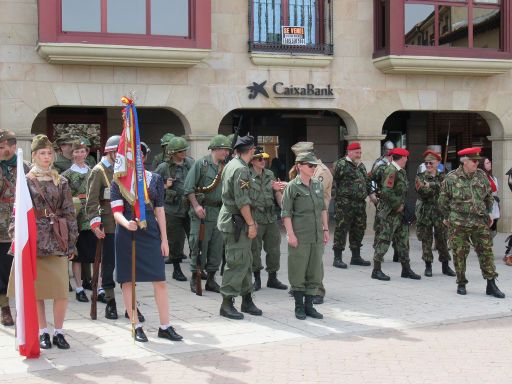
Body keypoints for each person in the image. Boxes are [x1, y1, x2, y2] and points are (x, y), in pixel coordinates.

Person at [9, 134, 78, 349]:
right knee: (37, 291)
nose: (46, 157)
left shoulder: (62, 180)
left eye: (49, 153)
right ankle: (42, 331)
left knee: (60, 290)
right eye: (42, 153)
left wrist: (72, 242)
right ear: (35, 155)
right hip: (35, 241)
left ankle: (59, 331)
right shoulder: (26, 181)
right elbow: (17, 212)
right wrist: (16, 237)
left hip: (57, 239)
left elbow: (69, 212)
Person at [111, 144, 183, 343]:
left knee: (159, 280)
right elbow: (116, 210)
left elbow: (160, 210)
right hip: (127, 231)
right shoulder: (119, 180)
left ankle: (165, 326)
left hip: (150, 229)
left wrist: (164, 239)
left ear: (143, 156)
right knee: (127, 280)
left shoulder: (155, 179)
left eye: (139, 154)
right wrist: (127, 224)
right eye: (131, 154)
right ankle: (136, 324)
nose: (136, 157)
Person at [439, 147, 504, 298]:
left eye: (478, 161)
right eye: (474, 161)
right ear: (465, 162)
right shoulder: (451, 178)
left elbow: (489, 196)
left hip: (479, 221)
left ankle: (491, 284)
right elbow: (442, 201)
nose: (477, 163)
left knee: (486, 252)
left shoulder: (481, 176)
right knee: (459, 253)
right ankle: (461, 282)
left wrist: (489, 212)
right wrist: (448, 217)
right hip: (459, 223)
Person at [217, 135, 262, 320]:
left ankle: (247, 298)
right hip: (237, 221)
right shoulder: (241, 170)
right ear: (251, 150)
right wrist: (251, 223)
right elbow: (242, 200)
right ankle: (226, 303)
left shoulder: (232, 165)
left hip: (236, 219)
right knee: (236, 262)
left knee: (245, 260)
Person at [282, 152, 329, 320]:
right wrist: (290, 234)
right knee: (298, 270)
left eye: (314, 165)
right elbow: (286, 213)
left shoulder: (317, 185)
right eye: (310, 165)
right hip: (300, 236)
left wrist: (325, 229)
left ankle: (309, 306)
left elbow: (323, 209)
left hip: (316, 236)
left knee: (314, 270)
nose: (313, 168)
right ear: (299, 166)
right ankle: (299, 306)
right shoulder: (292, 187)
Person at [184, 135, 231, 294]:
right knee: (199, 244)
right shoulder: (201, 165)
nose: (226, 152)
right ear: (216, 149)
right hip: (202, 213)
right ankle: (194, 277)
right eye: (224, 149)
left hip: (219, 212)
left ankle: (211, 279)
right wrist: (196, 206)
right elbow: (189, 188)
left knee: (216, 248)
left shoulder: (226, 167)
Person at [290, 141, 332, 305]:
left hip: (317, 217)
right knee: (302, 256)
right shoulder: (301, 169)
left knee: (315, 258)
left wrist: (286, 186)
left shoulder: (321, 171)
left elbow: (313, 191)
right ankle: (303, 287)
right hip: (303, 218)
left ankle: (317, 290)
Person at [371, 148, 421, 281]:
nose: (407, 160)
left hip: (400, 214)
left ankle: (406, 269)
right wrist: (396, 205)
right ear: (403, 158)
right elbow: (386, 191)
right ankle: (376, 270)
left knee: (403, 241)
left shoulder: (400, 171)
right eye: (406, 158)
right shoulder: (391, 171)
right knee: (384, 239)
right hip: (390, 213)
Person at [86, 135, 121, 319]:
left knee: (126, 263)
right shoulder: (99, 171)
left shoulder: (123, 168)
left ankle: (131, 302)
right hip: (108, 224)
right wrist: (95, 222)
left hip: (125, 221)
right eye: (118, 151)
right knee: (108, 264)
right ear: (110, 152)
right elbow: (91, 201)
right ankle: (110, 299)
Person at [0, 130, 30, 326]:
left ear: (12, 146)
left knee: (19, 267)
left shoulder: (24, 166)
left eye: (2, 147)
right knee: (2, 269)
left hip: (20, 225)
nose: (1, 150)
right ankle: (5, 307)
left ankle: (23, 305)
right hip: (1, 227)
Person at [155, 136, 194, 281]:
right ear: (172, 153)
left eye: (184, 150)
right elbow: (152, 187)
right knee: (175, 241)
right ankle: (176, 269)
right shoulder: (163, 167)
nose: (183, 153)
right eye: (179, 151)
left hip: (190, 207)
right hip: (172, 210)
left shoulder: (190, 163)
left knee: (195, 239)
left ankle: (197, 268)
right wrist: (165, 185)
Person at [62, 140, 96, 303]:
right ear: (72, 154)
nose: (79, 154)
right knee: (77, 254)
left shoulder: (93, 171)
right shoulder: (66, 175)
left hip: (92, 215)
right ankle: (79, 287)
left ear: (86, 152)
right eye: (76, 152)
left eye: (82, 151)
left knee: (96, 252)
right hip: (76, 216)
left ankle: (98, 286)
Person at [249, 146, 288, 291]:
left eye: (265, 158)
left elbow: (276, 193)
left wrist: (284, 208)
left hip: (271, 217)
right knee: (255, 249)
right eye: (260, 159)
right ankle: (257, 279)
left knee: (274, 248)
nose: (263, 161)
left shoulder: (270, 174)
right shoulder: (246, 175)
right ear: (252, 160)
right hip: (256, 217)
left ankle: (273, 278)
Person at [415, 150, 455, 277]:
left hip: (440, 213)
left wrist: (431, 184)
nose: (428, 166)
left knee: (442, 240)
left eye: (431, 163)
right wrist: (435, 186)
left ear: (437, 163)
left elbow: (448, 190)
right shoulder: (420, 176)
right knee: (426, 240)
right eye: (426, 163)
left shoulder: (444, 176)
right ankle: (428, 266)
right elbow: (423, 193)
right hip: (425, 212)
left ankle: (445, 266)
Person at [332, 142, 372, 269]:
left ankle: (356, 257)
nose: (359, 155)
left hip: (359, 204)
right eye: (356, 152)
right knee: (341, 229)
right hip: (345, 204)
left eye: (360, 152)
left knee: (358, 229)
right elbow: (334, 180)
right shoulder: (341, 164)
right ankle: (337, 258)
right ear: (349, 152)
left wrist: (371, 196)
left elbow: (366, 182)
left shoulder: (361, 166)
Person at [369, 141, 400, 262]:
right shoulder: (379, 163)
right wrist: (372, 195)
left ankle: (397, 252)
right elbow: (371, 179)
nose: (389, 152)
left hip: (395, 200)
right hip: (382, 198)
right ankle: (378, 252)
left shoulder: (396, 162)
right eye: (387, 150)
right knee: (380, 227)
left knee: (397, 227)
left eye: (391, 150)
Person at [478, 157, 500, 238]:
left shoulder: (492, 177)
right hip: (485, 207)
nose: (490, 164)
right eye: (487, 163)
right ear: (482, 165)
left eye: (490, 162)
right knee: (486, 231)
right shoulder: (480, 178)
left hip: (494, 205)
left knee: (493, 230)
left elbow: (496, 190)